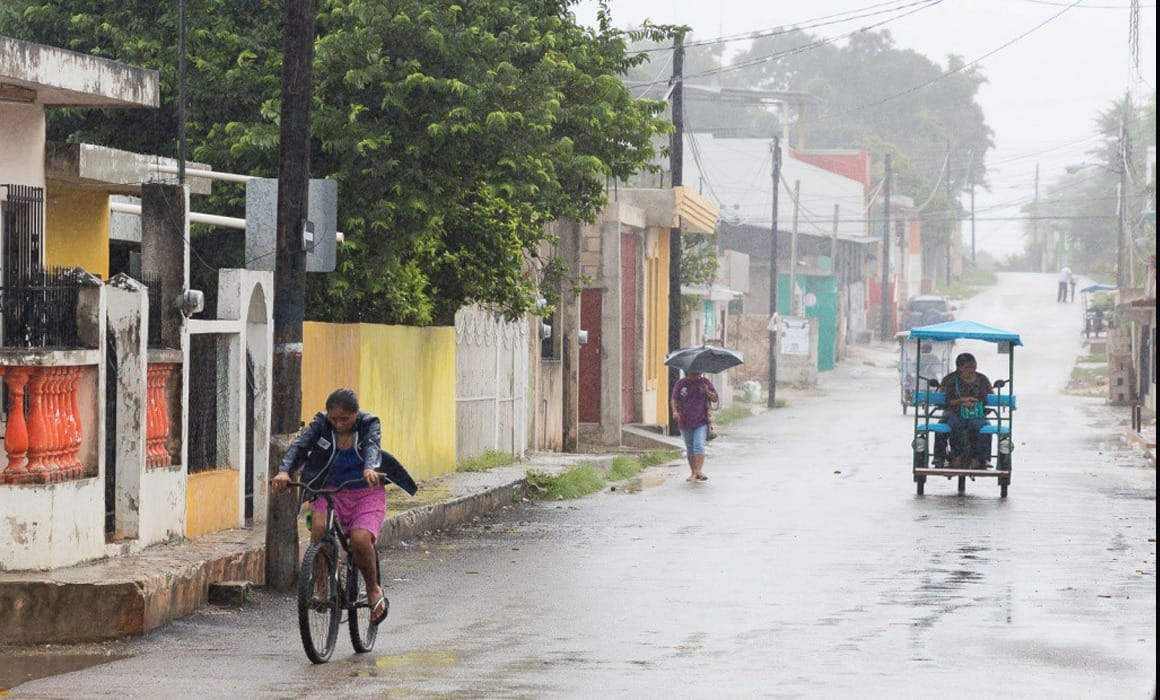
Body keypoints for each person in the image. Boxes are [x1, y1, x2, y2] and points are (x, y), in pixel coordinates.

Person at [271, 388, 417, 626]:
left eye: (344, 419)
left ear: (356, 415)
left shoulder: (369, 424)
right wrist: (284, 470)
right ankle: (322, 588)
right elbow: (299, 446)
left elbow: (372, 446)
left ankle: (372, 590)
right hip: (328, 490)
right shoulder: (321, 425)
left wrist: (370, 467)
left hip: (365, 491)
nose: (338, 424)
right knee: (318, 529)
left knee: (360, 540)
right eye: (334, 419)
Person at [933, 353, 994, 469]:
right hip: (953, 413)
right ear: (959, 368)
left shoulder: (982, 379)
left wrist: (974, 403)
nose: (971, 370)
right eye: (967, 368)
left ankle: (980, 458)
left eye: (973, 367)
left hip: (975, 414)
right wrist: (961, 401)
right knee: (952, 425)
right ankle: (947, 457)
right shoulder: (950, 379)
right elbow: (945, 401)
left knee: (983, 428)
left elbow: (989, 397)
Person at [671, 371, 718, 482]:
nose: (696, 372)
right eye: (693, 369)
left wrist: (706, 390)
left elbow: (715, 398)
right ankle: (694, 472)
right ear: (688, 370)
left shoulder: (705, 382)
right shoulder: (681, 383)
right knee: (690, 447)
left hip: (701, 420)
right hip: (684, 420)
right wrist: (674, 412)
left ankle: (699, 471)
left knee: (698, 445)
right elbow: (674, 399)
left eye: (698, 370)